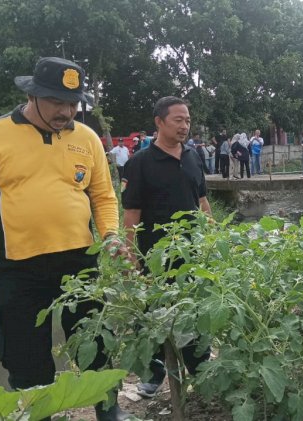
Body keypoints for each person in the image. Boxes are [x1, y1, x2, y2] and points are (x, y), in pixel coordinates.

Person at [0, 57, 129, 421]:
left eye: (73, 103)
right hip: (18, 268)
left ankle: (110, 413)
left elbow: (104, 197)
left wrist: (110, 235)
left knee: (95, 345)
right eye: (57, 102)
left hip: (80, 261)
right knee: (27, 358)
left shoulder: (87, 138)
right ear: (32, 96)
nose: (66, 111)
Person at [121, 96, 212, 398]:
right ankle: (154, 373)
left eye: (187, 120)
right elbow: (131, 216)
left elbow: (202, 201)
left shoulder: (193, 156)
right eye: (178, 120)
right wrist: (131, 259)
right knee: (152, 318)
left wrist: (213, 239)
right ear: (159, 122)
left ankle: (200, 370)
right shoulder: (139, 164)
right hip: (155, 259)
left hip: (192, 254)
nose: (185, 125)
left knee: (194, 313)